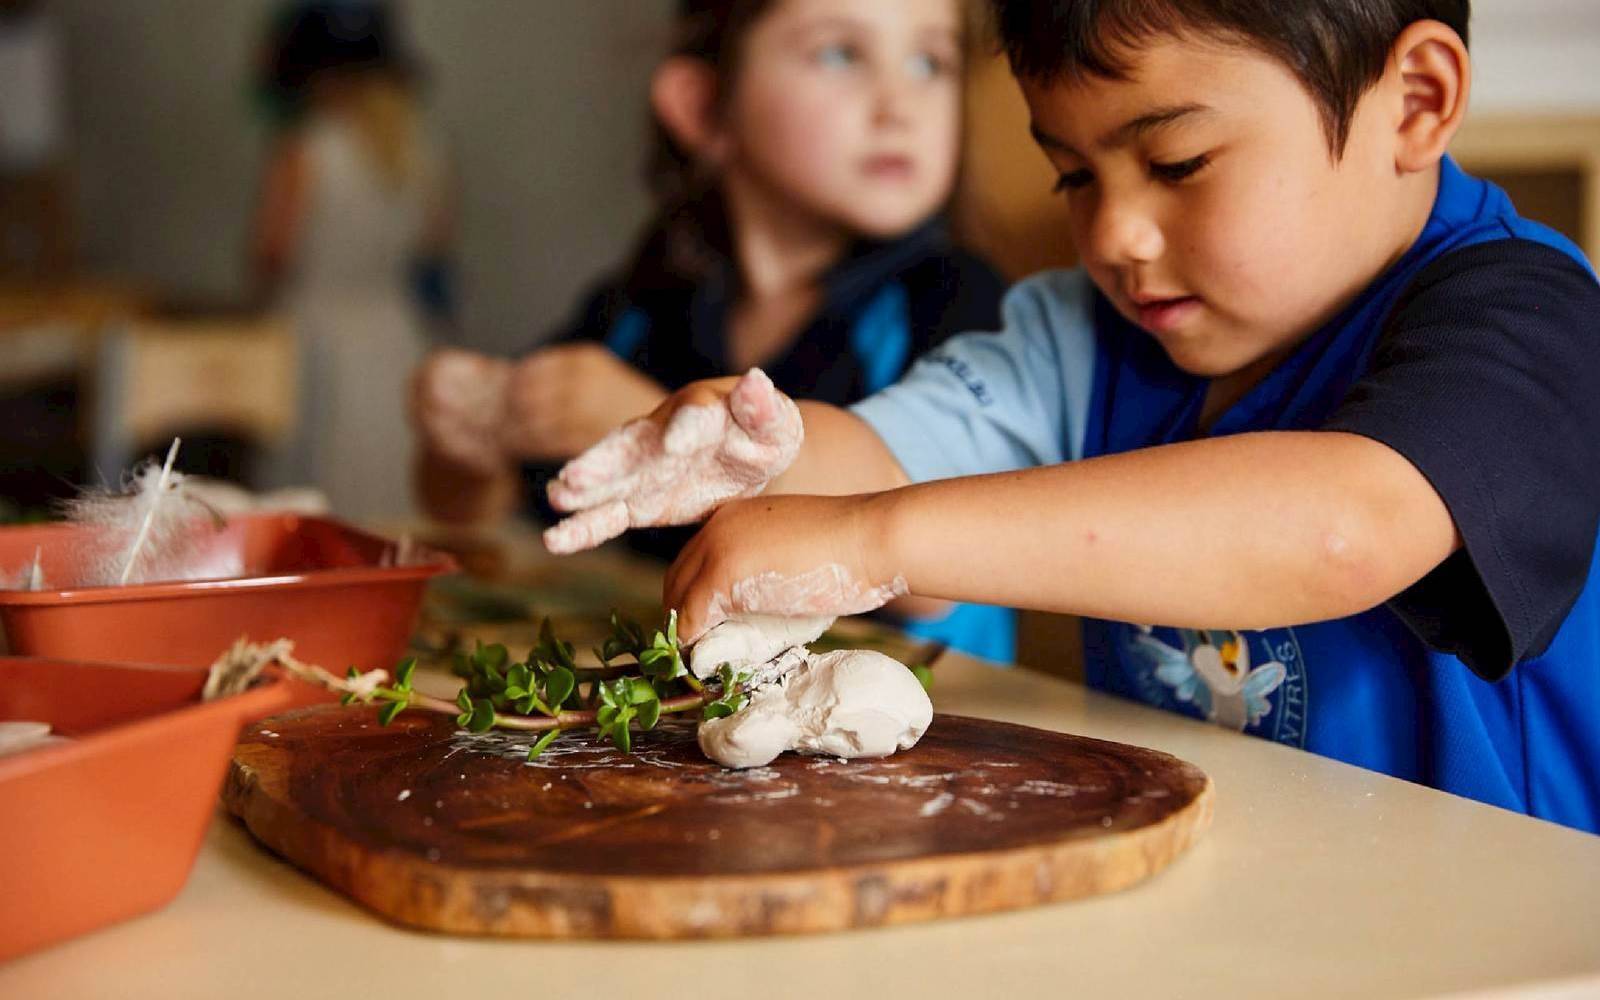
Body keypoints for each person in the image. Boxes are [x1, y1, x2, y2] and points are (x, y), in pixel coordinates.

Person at [540, 0, 1600, 833]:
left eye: (1176, 163)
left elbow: (1345, 526)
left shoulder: (1525, 319)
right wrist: (768, 452)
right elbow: (885, 460)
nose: (1118, 237)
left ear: (1414, 99)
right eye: (1073, 176)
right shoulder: (1081, 332)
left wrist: (876, 540)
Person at [413, 0, 1016, 661]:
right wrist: (469, 432)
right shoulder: (646, 305)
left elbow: (936, 568)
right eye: (841, 53)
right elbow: (480, 509)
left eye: (930, 62)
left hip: (927, 703)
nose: (900, 106)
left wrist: (642, 422)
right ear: (704, 108)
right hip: (690, 715)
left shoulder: (958, 301)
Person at [252, 1, 453, 520]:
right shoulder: (418, 151)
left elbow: (273, 250)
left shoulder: (307, 149)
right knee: (393, 491)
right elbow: (433, 247)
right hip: (396, 335)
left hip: (317, 335)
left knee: (317, 490)